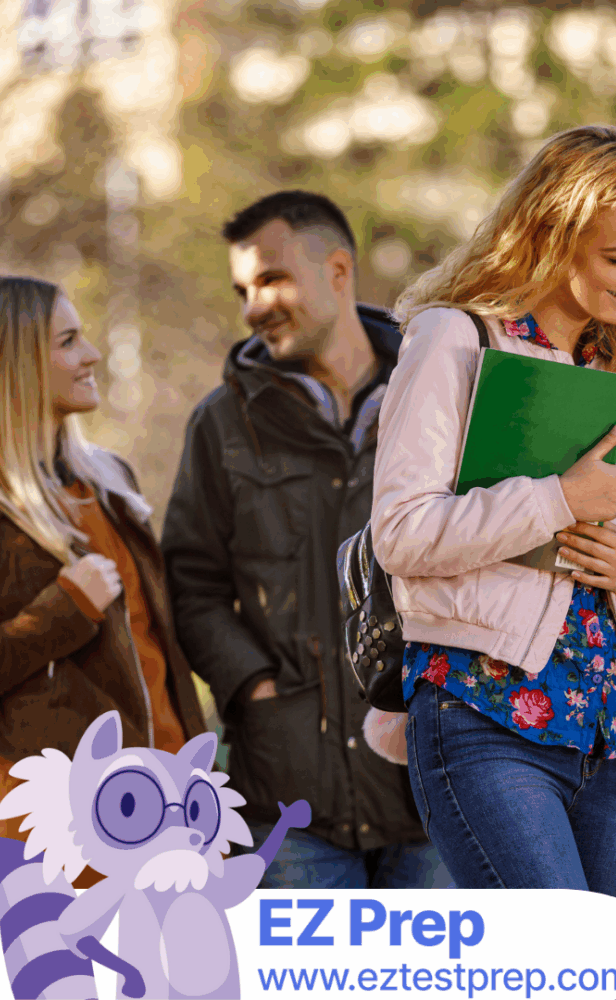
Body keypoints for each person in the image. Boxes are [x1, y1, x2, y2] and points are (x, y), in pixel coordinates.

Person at [370, 125, 616, 894]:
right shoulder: (454, 338)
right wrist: (555, 500)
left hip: (609, 722)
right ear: (551, 238)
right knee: (549, 969)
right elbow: (400, 534)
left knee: (586, 976)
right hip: (484, 711)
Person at [161, 191, 452, 889]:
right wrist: (253, 687)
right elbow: (190, 584)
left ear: (340, 271)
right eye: (242, 290)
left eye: (272, 279)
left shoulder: (439, 392)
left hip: (433, 792)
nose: (254, 307)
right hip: (287, 808)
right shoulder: (223, 424)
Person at [0, 275, 208, 887]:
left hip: (168, 794)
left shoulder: (109, 480)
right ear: (16, 365)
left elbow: (153, 640)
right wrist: (66, 608)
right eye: (68, 341)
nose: (91, 354)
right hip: (54, 822)